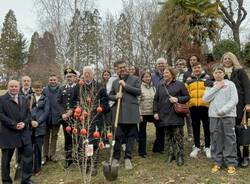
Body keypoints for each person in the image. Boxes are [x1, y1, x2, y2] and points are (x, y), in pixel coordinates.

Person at [203, 64, 238, 175]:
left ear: (224, 74)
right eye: (216, 72)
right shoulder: (210, 86)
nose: (218, 74)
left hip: (228, 115)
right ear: (213, 74)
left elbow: (234, 100)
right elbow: (205, 99)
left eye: (220, 72)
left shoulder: (230, 84)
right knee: (215, 138)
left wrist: (224, 110)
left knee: (229, 138)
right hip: (214, 116)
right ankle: (217, 162)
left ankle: (231, 163)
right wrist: (217, 87)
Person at [0, 80, 35, 184]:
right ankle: (6, 181)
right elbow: (1, 115)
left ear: (19, 87)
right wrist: (14, 125)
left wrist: (24, 123)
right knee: (6, 160)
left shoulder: (24, 99)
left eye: (16, 86)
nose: (14, 88)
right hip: (8, 133)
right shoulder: (2, 99)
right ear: (8, 87)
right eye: (11, 86)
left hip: (23, 133)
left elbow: (28, 114)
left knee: (28, 156)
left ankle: (26, 179)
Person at [153, 67, 190, 166]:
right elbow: (156, 100)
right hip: (164, 115)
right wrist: (155, 112)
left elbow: (187, 97)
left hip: (176, 114)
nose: (165, 74)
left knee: (178, 136)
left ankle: (180, 155)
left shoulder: (180, 84)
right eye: (164, 73)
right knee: (168, 137)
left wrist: (177, 99)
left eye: (167, 73)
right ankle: (171, 154)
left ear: (172, 74)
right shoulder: (160, 86)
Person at [109, 60, 141, 169]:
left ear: (127, 67)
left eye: (124, 67)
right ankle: (116, 157)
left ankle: (128, 157)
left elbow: (138, 92)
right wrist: (115, 96)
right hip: (119, 114)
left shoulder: (135, 79)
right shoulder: (114, 82)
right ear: (116, 70)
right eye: (119, 68)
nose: (122, 69)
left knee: (130, 136)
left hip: (131, 112)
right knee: (117, 136)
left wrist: (125, 85)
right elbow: (110, 95)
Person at [78, 66, 110, 176]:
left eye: (89, 73)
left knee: (94, 141)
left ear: (92, 74)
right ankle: (86, 163)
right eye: (85, 73)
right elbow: (75, 101)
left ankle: (93, 165)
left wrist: (99, 108)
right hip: (83, 119)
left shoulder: (100, 86)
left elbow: (106, 102)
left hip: (96, 118)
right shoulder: (80, 86)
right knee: (86, 141)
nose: (87, 75)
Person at [221, 52, 250, 167]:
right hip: (227, 107)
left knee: (243, 130)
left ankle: (246, 156)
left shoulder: (240, 71)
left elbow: (247, 87)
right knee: (232, 132)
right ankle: (236, 155)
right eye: (225, 58)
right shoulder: (220, 72)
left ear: (233, 59)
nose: (227, 60)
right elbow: (210, 82)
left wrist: (248, 103)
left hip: (240, 106)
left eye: (229, 58)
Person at [186, 62, 212, 158]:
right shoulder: (189, 81)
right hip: (193, 107)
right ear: (192, 70)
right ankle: (196, 146)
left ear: (201, 68)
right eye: (194, 68)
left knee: (207, 127)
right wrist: (188, 106)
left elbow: (211, 92)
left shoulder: (207, 79)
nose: (197, 69)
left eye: (198, 67)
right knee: (195, 127)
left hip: (205, 106)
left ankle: (208, 146)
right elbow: (187, 94)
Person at [58, 68, 79, 168]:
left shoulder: (79, 87)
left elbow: (81, 101)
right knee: (68, 138)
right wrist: (63, 113)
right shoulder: (62, 88)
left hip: (77, 117)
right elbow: (58, 102)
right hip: (65, 118)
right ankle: (68, 158)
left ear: (75, 77)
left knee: (78, 137)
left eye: (71, 76)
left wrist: (72, 110)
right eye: (67, 77)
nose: (69, 78)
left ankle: (79, 157)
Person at [30, 81, 50, 176]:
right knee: (29, 148)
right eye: (36, 88)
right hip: (30, 127)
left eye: (40, 88)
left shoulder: (45, 99)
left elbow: (46, 112)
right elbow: (26, 111)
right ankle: (29, 167)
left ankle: (37, 169)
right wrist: (31, 121)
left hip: (40, 127)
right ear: (33, 88)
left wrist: (38, 122)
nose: (38, 89)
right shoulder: (30, 98)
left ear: (42, 89)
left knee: (38, 148)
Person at [42, 74, 61, 165]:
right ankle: (45, 155)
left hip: (56, 117)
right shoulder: (44, 90)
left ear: (57, 81)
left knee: (54, 136)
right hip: (46, 117)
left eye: (54, 80)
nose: (53, 81)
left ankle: (52, 154)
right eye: (51, 80)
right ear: (48, 81)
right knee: (46, 137)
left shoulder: (60, 90)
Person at [151, 57, 167, 153]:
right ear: (156, 65)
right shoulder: (153, 76)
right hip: (156, 102)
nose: (161, 65)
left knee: (164, 125)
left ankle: (163, 145)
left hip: (166, 102)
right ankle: (158, 147)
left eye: (162, 63)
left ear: (166, 64)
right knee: (158, 125)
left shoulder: (168, 74)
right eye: (159, 64)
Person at [138, 71, 156, 158]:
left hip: (152, 113)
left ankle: (157, 148)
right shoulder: (139, 88)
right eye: (145, 77)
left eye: (149, 76)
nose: (147, 78)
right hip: (143, 113)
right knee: (142, 133)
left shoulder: (153, 88)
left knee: (160, 127)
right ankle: (142, 152)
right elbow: (137, 102)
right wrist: (139, 114)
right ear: (142, 78)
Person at [175, 59, 193, 141]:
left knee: (188, 117)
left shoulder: (188, 74)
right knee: (179, 116)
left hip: (186, 97)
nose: (179, 65)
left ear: (184, 65)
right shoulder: (175, 74)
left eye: (181, 64)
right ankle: (180, 134)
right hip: (178, 98)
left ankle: (190, 134)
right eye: (178, 64)